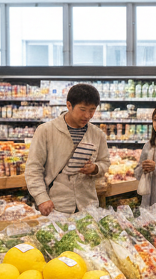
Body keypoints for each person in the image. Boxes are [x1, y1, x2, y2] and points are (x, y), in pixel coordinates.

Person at [24, 83, 110, 215]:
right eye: (82, 109)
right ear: (69, 105)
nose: (87, 115)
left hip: (88, 206)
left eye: (92, 110)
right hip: (56, 205)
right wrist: (41, 198)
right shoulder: (46, 131)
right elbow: (33, 168)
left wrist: (95, 168)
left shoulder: (97, 134)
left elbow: (105, 162)